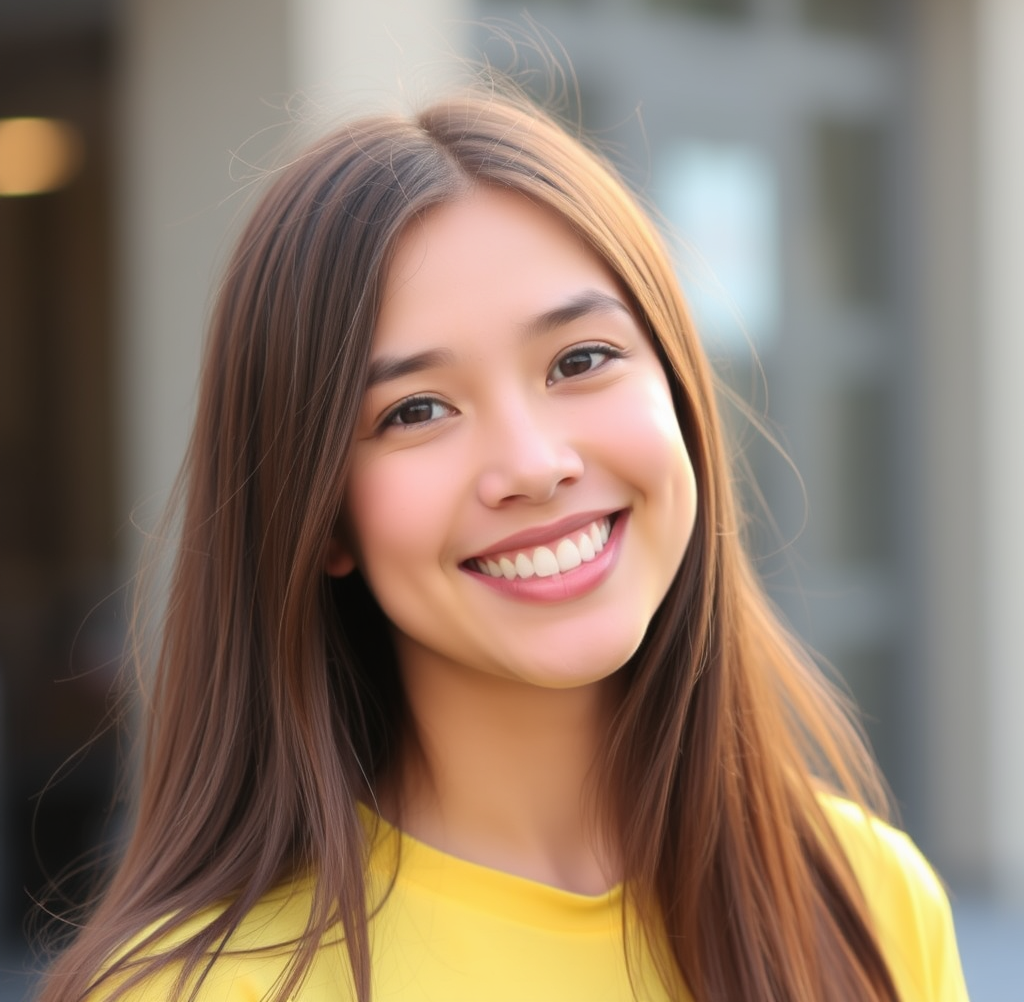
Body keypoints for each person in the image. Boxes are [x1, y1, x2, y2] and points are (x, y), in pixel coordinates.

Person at [37, 83, 969, 1002]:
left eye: (580, 360)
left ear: (680, 390)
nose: (531, 463)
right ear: (320, 517)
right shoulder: (208, 990)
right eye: (416, 411)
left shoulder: (865, 900)